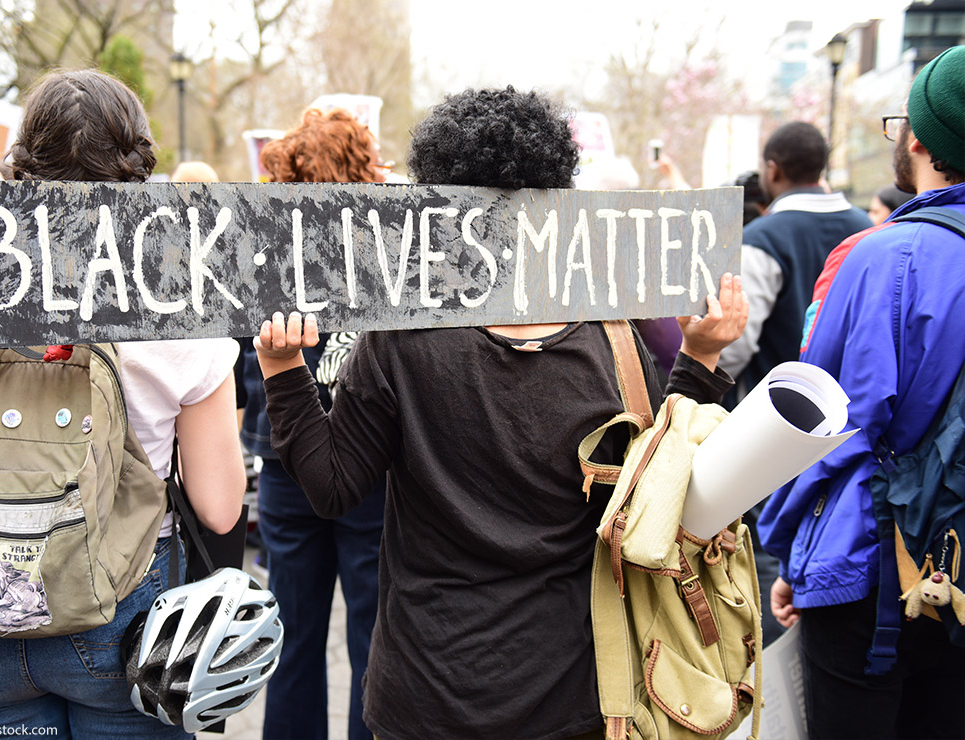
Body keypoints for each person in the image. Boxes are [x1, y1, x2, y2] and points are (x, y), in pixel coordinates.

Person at [253, 87, 747, 739]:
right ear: (553, 198)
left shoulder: (402, 340)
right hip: (575, 691)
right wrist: (702, 358)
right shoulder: (612, 342)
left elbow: (332, 488)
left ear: (439, 201)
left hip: (427, 692)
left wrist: (284, 371)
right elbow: (663, 494)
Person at [0, 69, 247, 739]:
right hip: (122, 612)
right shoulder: (184, 296)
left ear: (21, 156)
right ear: (137, 161)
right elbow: (221, 506)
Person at [759, 45, 965, 739]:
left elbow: (830, 426)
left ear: (918, 139)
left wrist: (791, 553)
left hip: (875, 569)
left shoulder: (889, 256)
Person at [242, 107, 387, 740]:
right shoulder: (391, 254)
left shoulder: (262, 252)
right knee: (373, 636)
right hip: (371, 465)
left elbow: (243, 362)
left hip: (283, 464)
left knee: (291, 636)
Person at [718, 121, 871, 405]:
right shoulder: (867, 227)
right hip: (847, 407)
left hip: (772, 413)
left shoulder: (761, 239)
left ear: (773, 170)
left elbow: (737, 342)